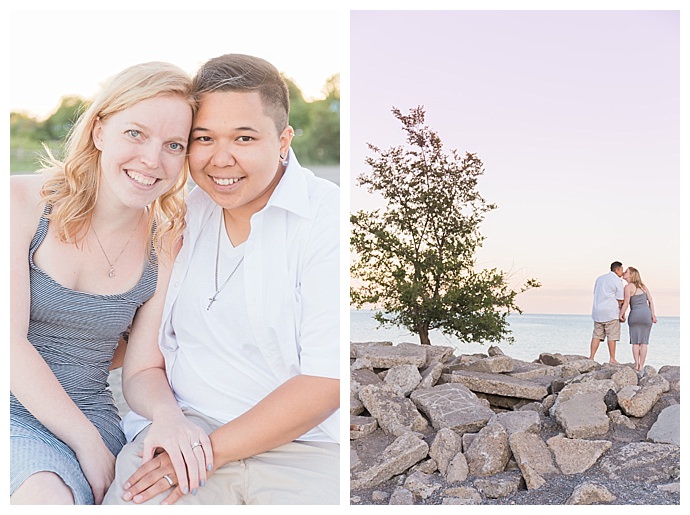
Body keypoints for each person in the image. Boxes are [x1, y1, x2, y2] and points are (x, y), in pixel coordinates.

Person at [103, 53, 340, 506]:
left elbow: (325, 383)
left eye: (244, 138)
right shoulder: (179, 218)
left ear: (284, 140)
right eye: (203, 138)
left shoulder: (327, 220)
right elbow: (145, 365)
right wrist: (171, 424)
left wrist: (206, 454)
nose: (220, 159)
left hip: (306, 449)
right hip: (185, 429)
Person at [10, 62, 195, 505]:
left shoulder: (166, 242)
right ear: (98, 131)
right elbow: (9, 343)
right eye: (135, 133)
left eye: (174, 145)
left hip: (95, 414)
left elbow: (139, 369)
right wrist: (85, 443)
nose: (152, 160)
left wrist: (167, 416)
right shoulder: (21, 203)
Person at [619, 266, 657, 371]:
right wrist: (653, 315)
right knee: (644, 342)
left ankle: (636, 364)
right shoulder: (643, 286)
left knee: (635, 342)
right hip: (646, 314)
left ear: (631, 275)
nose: (624, 273)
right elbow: (650, 301)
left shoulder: (627, 287)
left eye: (626, 272)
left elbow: (626, 303)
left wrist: (621, 314)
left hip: (635, 314)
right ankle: (642, 365)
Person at [589, 261, 625, 364]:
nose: (622, 273)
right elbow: (620, 299)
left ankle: (591, 357)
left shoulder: (599, 279)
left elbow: (595, 293)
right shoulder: (617, 281)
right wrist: (622, 313)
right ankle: (612, 358)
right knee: (612, 336)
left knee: (596, 335)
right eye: (622, 270)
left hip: (597, 311)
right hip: (611, 312)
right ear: (617, 269)